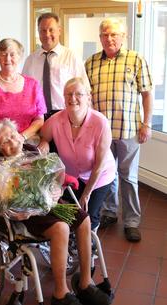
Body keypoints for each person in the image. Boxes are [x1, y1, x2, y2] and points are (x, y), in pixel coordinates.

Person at [0, 118, 111, 305]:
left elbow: (52, 177)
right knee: (61, 228)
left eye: (13, 135)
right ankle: (60, 293)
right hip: (25, 213)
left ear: (20, 135)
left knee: (84, 219)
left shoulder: (33, 151)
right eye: (5, 141)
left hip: (50, 203)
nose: (13, 142)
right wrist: (15, 208)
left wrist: (56, 189)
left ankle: (85, 283)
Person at [85, 18, 153, 242]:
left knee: (129, 178)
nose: (109, 38)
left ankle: (132, 221)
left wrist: (147, 123)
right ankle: (109, 212)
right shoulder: (91, 62)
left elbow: (147, 93)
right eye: (105, 34)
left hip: (129, 130)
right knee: (106, 176)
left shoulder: (136, 59)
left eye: (114, 34)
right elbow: (86, 97)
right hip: (102, 134)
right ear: (100, 37)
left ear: (123, 36)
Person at [39, 78, 116, 231]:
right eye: (68, 94)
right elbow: (43, 136)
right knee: (70, 212)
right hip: (74, 175)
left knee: (89, 214)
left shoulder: (100, 123)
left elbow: (99, 166)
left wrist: (86, 194)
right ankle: (74, 240)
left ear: (88, 97)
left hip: (99, 175)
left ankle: (91, 245)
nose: (72, 98)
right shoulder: (56, 120)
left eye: (78, 94)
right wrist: (44, 143)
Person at [0, 38, 46, 163]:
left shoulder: (33, 85)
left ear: (19, 57)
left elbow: (39, 120)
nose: (7, 59)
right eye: (3, 54)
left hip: (27, 145)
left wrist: (21, 137)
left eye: (12, 54)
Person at [22, 12, 89, 119]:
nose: (47, 34)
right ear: (38, 33)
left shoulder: (71, 56)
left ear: (59, 31)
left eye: (51, 30)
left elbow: (84, 89)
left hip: (66, 115)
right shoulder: (30, 60)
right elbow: (24, 93)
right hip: (37, 117)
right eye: (43, 31)